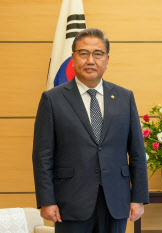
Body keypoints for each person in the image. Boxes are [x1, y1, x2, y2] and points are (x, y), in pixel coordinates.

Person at [32, 28, 149, 233]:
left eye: (98, 54)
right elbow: (43, 156)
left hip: (116, 201)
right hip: (70, 202)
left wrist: (138, 198)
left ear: (107, 59)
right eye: (83, 53)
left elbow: (137, 152)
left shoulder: (124, 97)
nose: (90, 60)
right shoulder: (53, 99)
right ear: (73, 57)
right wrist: (46, 200)